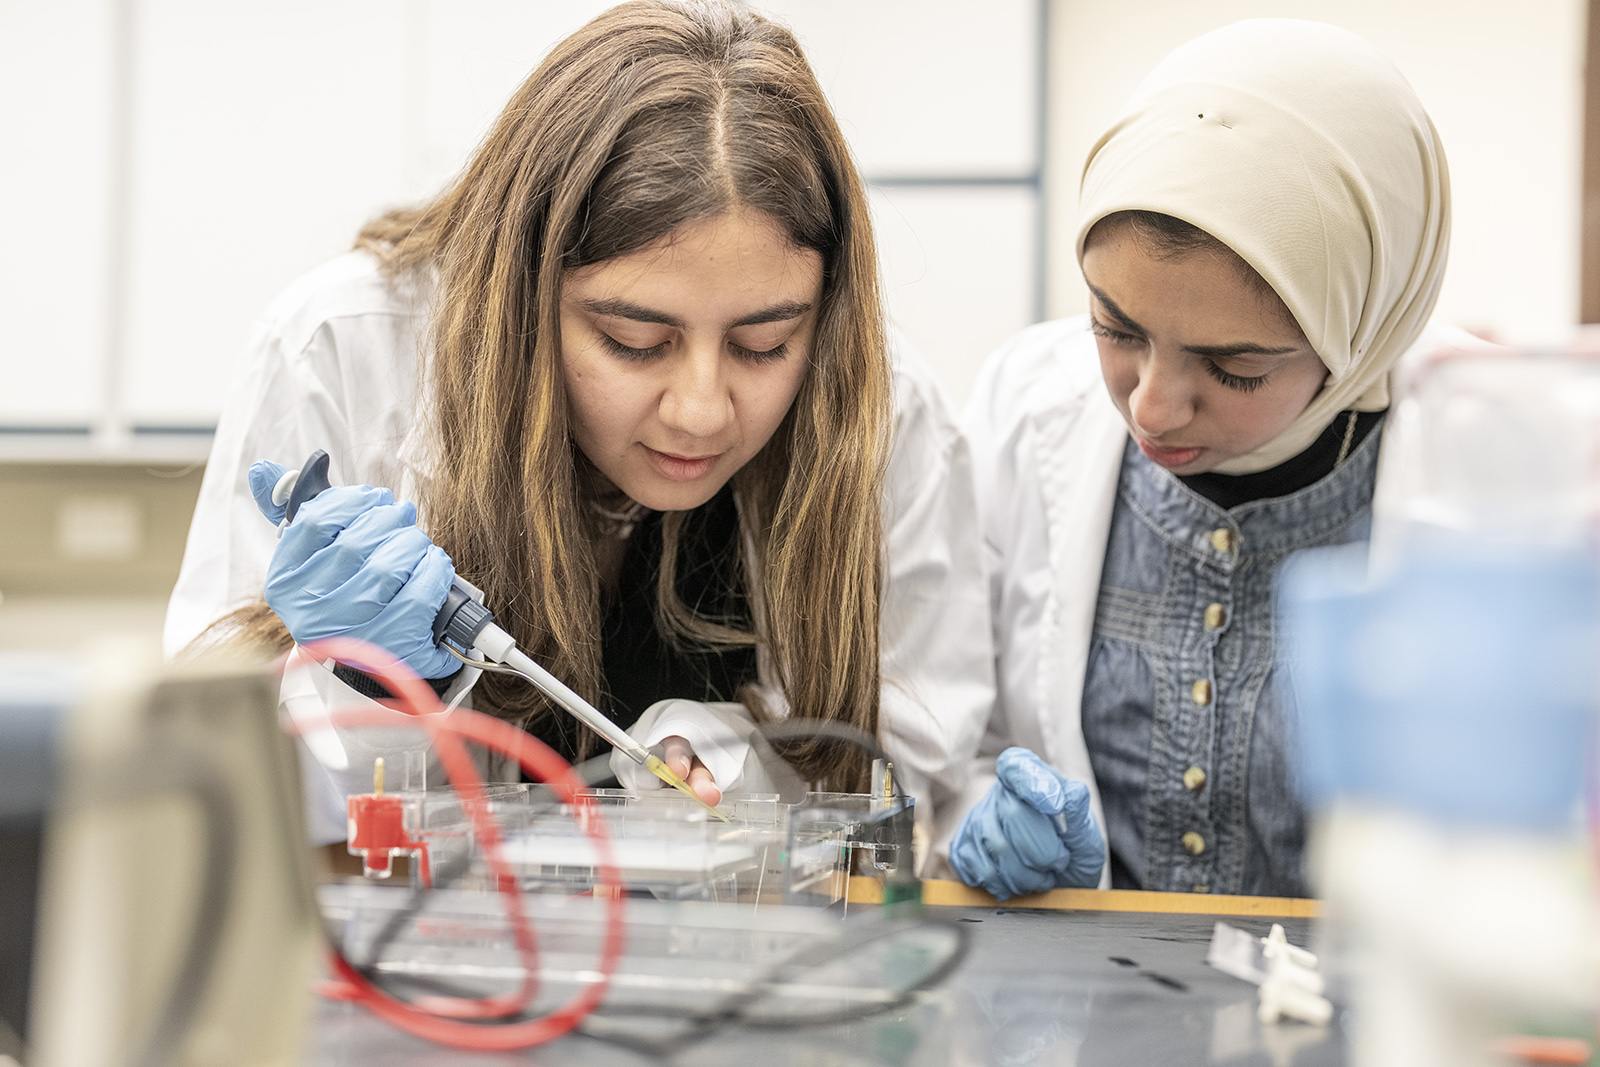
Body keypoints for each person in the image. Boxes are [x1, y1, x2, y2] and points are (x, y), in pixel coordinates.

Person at [165, 0, 992, 848]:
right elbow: (202, 793)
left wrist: (727, 760)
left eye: (764, 343)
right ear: (524, 288)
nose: (701, 409)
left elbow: (907, 769)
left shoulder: (884, 409)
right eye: (636, 341)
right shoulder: (340, 350)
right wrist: (363, 689)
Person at [945, 19, 1483, 899]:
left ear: (1362, 333)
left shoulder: (1482, 455)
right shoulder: (1024, 408)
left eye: (1233, 368)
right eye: (1115, 327)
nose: (1151, 405)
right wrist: (986, 820)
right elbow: (948, 733)